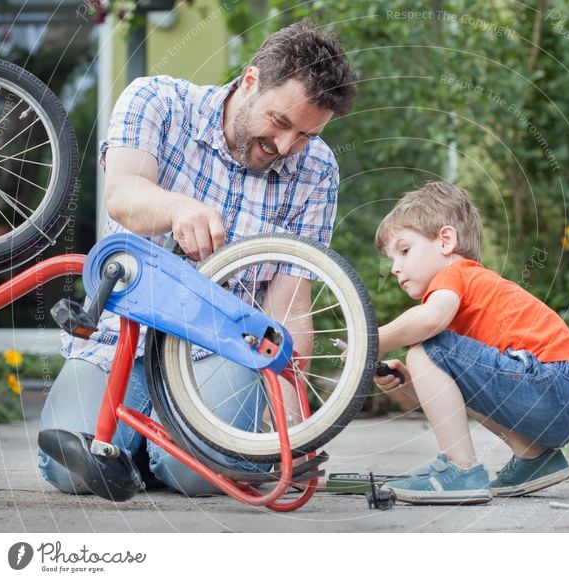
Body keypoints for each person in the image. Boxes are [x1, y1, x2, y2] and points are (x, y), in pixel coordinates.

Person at [38, 21, 357, 496]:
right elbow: (123, 194)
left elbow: (289, 305)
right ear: (250, 82)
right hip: (117, 342)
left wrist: (294, 431)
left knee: (195, 476)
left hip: (219, 352)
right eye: (281, 122)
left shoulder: (316, 169)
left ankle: (159, 455)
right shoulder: (158, 102)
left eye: (305, 135)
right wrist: (177, 208)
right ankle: (149, 446)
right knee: (66, 469)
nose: (286, 147)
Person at [373, 182, 569, 505]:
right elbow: (451, 392)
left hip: (553, 384)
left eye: (404, 250)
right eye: (391, 258)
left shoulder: (454, 272)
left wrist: (372, 341)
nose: (394, 267)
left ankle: (460, 470)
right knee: (436, 359)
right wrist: (409, 384)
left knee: (425, 346)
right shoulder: (470, 295)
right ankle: (535, 457)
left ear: (446, 241)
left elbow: (429, 320)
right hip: (565, 396)